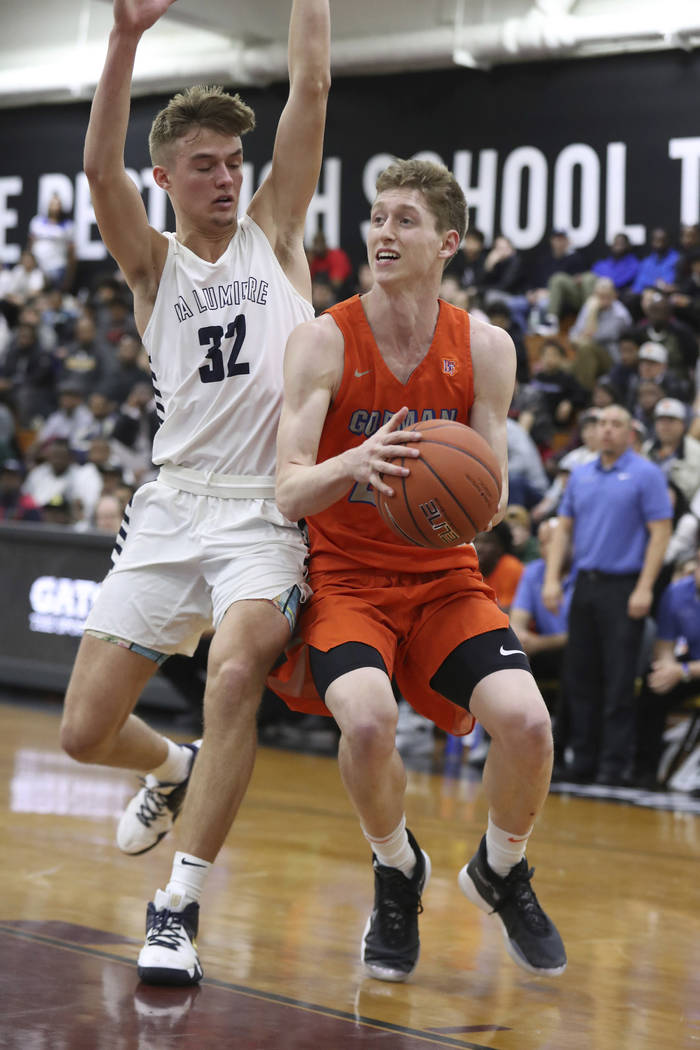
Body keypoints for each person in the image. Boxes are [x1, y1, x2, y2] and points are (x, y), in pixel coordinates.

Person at [58, 0, 330, 987]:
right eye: (205, 164)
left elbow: (311, 88)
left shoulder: (276, 233)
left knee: (232, 678)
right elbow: (98, 171)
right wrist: (126, 36)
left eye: (232, 162)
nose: (226, 177)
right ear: (166, 177)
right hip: (173, 508)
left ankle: (177, 901)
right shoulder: (151, 262)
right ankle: (169, 770)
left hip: (263, 513)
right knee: (84, 733)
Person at [274, 157, 567, 982]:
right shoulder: (324, 339)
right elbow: (289, 486)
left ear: (449, 242)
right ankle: (397, 869)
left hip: (443, 578)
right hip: (348, 580)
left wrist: (471, 496)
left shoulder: (486, 346)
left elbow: (494, 487)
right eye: (377, 217)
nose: (383, 233)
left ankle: (501, 869)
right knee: (367, 722)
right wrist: (356, 463)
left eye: (404, 220)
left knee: (530, 724)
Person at [542, 404, 672, 785]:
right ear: (594, 430)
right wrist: (552, 579)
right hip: (585, 583)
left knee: (618, 680)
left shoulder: (646, 475)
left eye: (617, 424)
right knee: (579, 676)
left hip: (625, 585)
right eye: (601, 423)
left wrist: (645, 587)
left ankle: (613, 766)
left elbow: (660, 532)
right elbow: (563, 529)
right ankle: (581, 761)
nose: (608, 430)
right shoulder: (580, 475)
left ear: (631, 432)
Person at [634, 552, 700, 788]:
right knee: (654, 685)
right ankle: (645, 770)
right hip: (690, 663)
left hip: (690, 668)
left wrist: (681, 671)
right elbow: (664, 644)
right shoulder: (677, 592)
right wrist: (667, 667)